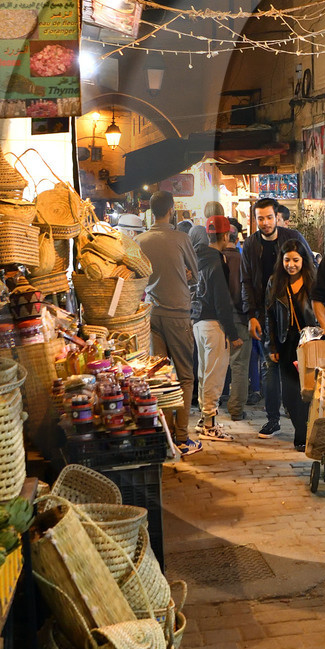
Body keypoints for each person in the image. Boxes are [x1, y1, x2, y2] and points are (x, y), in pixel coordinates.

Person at [242, 198, 316, 438]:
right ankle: (272, 419)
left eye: (269, 217)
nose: (265, 223)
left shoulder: (292, 237)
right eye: (260, 218)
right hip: (267, 313)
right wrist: (251, 315)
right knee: (270, 368)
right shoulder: (251, 244)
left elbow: (311, 268)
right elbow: (246, 281)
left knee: (300, 371)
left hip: (297, 318)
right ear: (255, 220)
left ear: (277, 217)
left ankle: (304, 420)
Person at [137, 191, 201, 455]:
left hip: (152, 314)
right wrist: (184, 275)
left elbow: (137, 276)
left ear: (151, 211)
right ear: (171, 210)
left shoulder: (140, 240)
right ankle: (182, 437)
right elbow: (196, 275)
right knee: (185, 376)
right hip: (177, 314)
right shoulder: (181, 238)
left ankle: (165, 436)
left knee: (160, 377)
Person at [190, 215, 242, 442]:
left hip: (198, 322)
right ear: (226, 235)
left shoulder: (198, 257)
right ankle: (210, 425)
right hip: (214, 325)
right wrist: (233, 333)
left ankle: (205, 419)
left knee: (204, 373)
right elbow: (222, 301)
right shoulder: (217, 262)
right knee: (214, 376)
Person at [263, 239, 317, 451]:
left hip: (310, 343)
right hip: (286, 342)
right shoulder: (275, 281)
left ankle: (303, 434)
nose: (291, 265)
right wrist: (271, 346)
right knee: (289, 394)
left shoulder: (313, 280)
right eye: (287, 260)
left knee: (309, 390)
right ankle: (301, 429)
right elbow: (269, 316)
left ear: (304, 260)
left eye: (296, 260)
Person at [218, 220, 249, 421]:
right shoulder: (243, 260)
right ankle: (236, 409)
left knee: (215, 365)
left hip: (216, 320)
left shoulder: (214, 259)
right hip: (239, 318)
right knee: (239, 366)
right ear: (236, 239)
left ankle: (211, 405)